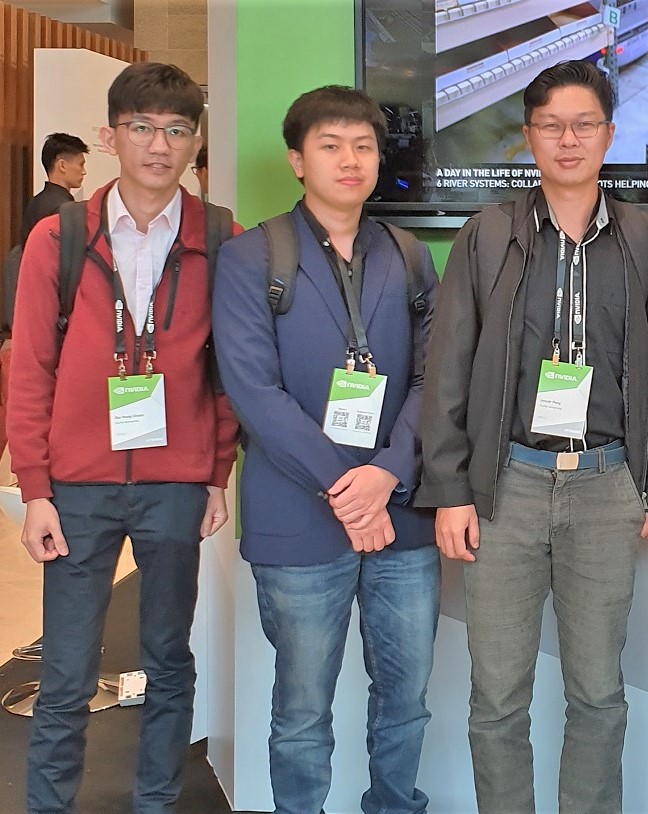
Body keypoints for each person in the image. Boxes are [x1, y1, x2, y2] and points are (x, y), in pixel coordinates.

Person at [418, 60, 648, 812]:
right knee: (497, 698)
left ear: (609, 133)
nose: (568, 140)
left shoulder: (642, 235)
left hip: (607, 485)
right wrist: (450, 490)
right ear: (529, 135)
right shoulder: (489, 233)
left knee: (598, 693)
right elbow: (449, 367)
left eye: (583, 125)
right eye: (551, 126)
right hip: (504, 486)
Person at [8, 62, 239, 814]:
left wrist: (216, 472)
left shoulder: (221, 238)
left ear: (195, 141)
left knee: (169, 660)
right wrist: (34, 488)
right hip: (77, 486)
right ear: (111, 137)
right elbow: (30, 368)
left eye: (176, 130)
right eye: (142, 127)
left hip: (176, 484)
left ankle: (155, 803)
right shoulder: (59, 237)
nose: (159, 145)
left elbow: (230, 369)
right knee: (67, 671)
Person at [212, 85, 439, 814]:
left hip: (401, 517)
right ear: (297, 160)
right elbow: (254, 392)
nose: (350, 160)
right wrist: (350, 489)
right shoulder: (251, 256)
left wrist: (387, 474)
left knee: (406, 701)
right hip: (300, 518)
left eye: (364, 146)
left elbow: (436, 380)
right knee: (302, 711)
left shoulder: (407, 255)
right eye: (331, 145)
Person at [20, 132, 89, 244]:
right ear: (62, 165)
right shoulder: (66, 209)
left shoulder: (34, 203)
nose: (84, 172)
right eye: (81, 165)